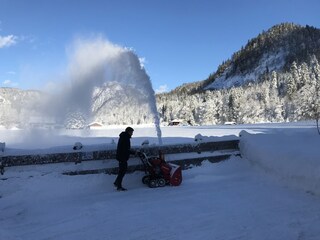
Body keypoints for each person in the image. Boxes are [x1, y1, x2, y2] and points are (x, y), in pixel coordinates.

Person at [113, 127, 135, 191]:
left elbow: (125, 148)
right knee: (122, 171)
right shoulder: (125, 138)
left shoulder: (124, 137)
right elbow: (126, 149)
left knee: (121, 171)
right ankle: (119, 186)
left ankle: (117, 183)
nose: (132, 134)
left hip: (121, 156)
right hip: (122, 157)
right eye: (131, 132)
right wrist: (133, 152)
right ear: (128, 132)